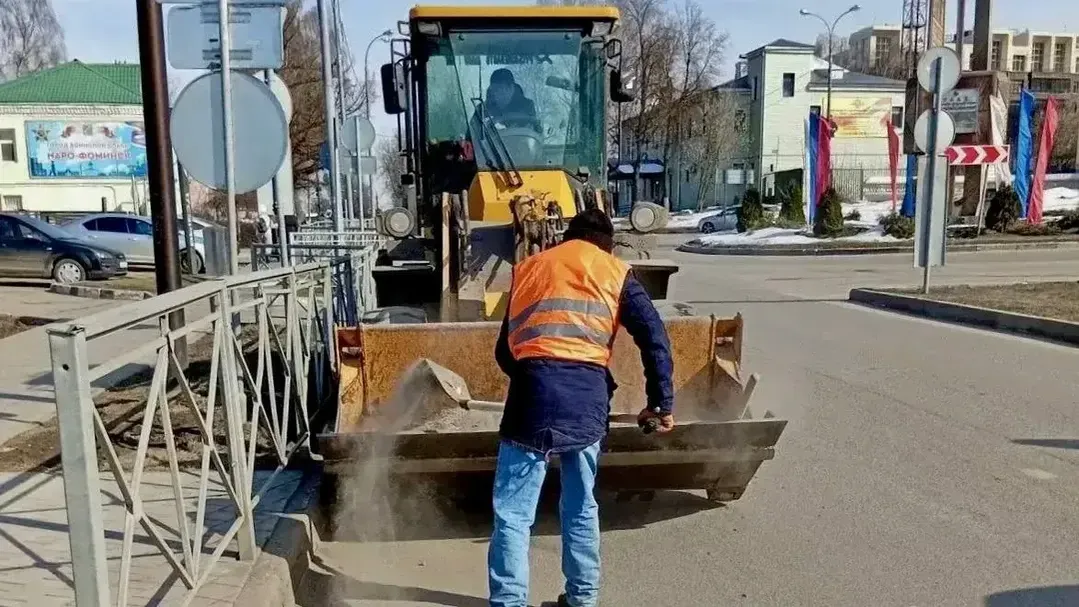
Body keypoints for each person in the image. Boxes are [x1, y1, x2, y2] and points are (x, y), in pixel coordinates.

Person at [488, 208, 675, 607]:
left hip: (531, 395)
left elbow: (504, 351)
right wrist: (660, 403)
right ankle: (582, 599)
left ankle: (508, 602)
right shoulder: (616, 272)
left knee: (513, 514)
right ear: (607, 245)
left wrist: (533, 377)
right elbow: (655, 338)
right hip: (587, 398)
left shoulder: (529, 268)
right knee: (580, 505)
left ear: (567, 237)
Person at [472, 68, 542, 134]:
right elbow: (471, 133)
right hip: (492, 142)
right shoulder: (483, 109)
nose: (496, 93)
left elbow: (534, 132)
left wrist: (499, 119)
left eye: (500, 88)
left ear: (511, 88)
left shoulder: (527, 106)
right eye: (494, 89)